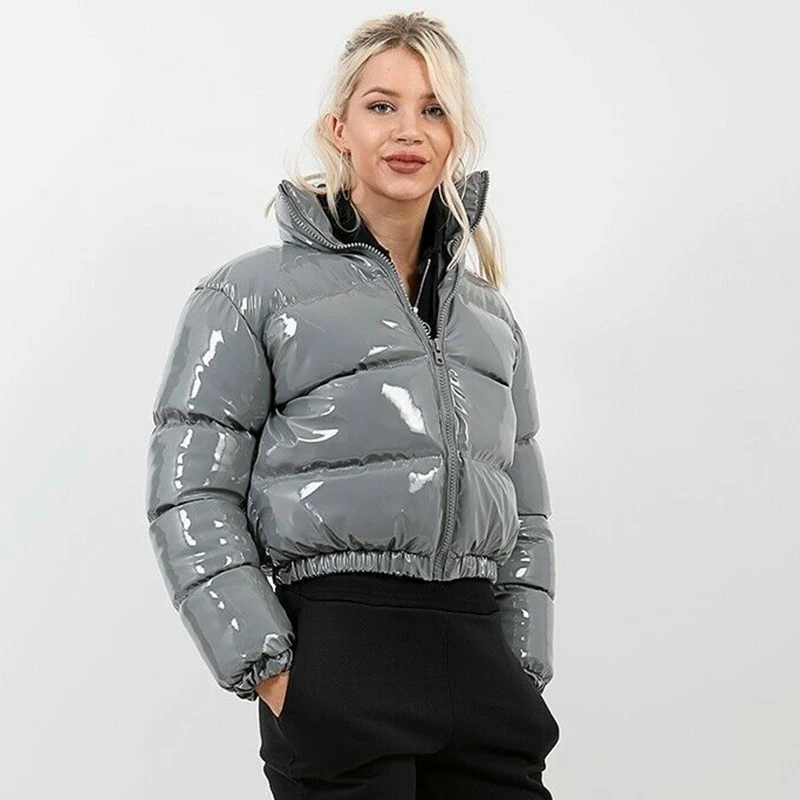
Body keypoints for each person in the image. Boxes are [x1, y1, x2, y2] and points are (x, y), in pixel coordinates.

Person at [145, 11, 559, 799]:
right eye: (381, 105)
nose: (408, 130)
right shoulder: (249, 294)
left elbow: (527, 513)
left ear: (456, 135)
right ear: (339, 128)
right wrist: (274, 672)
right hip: (339, 654)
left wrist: (523, 663)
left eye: (433, 109)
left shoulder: (491, 320)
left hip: (480, 667)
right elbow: (190, 493)